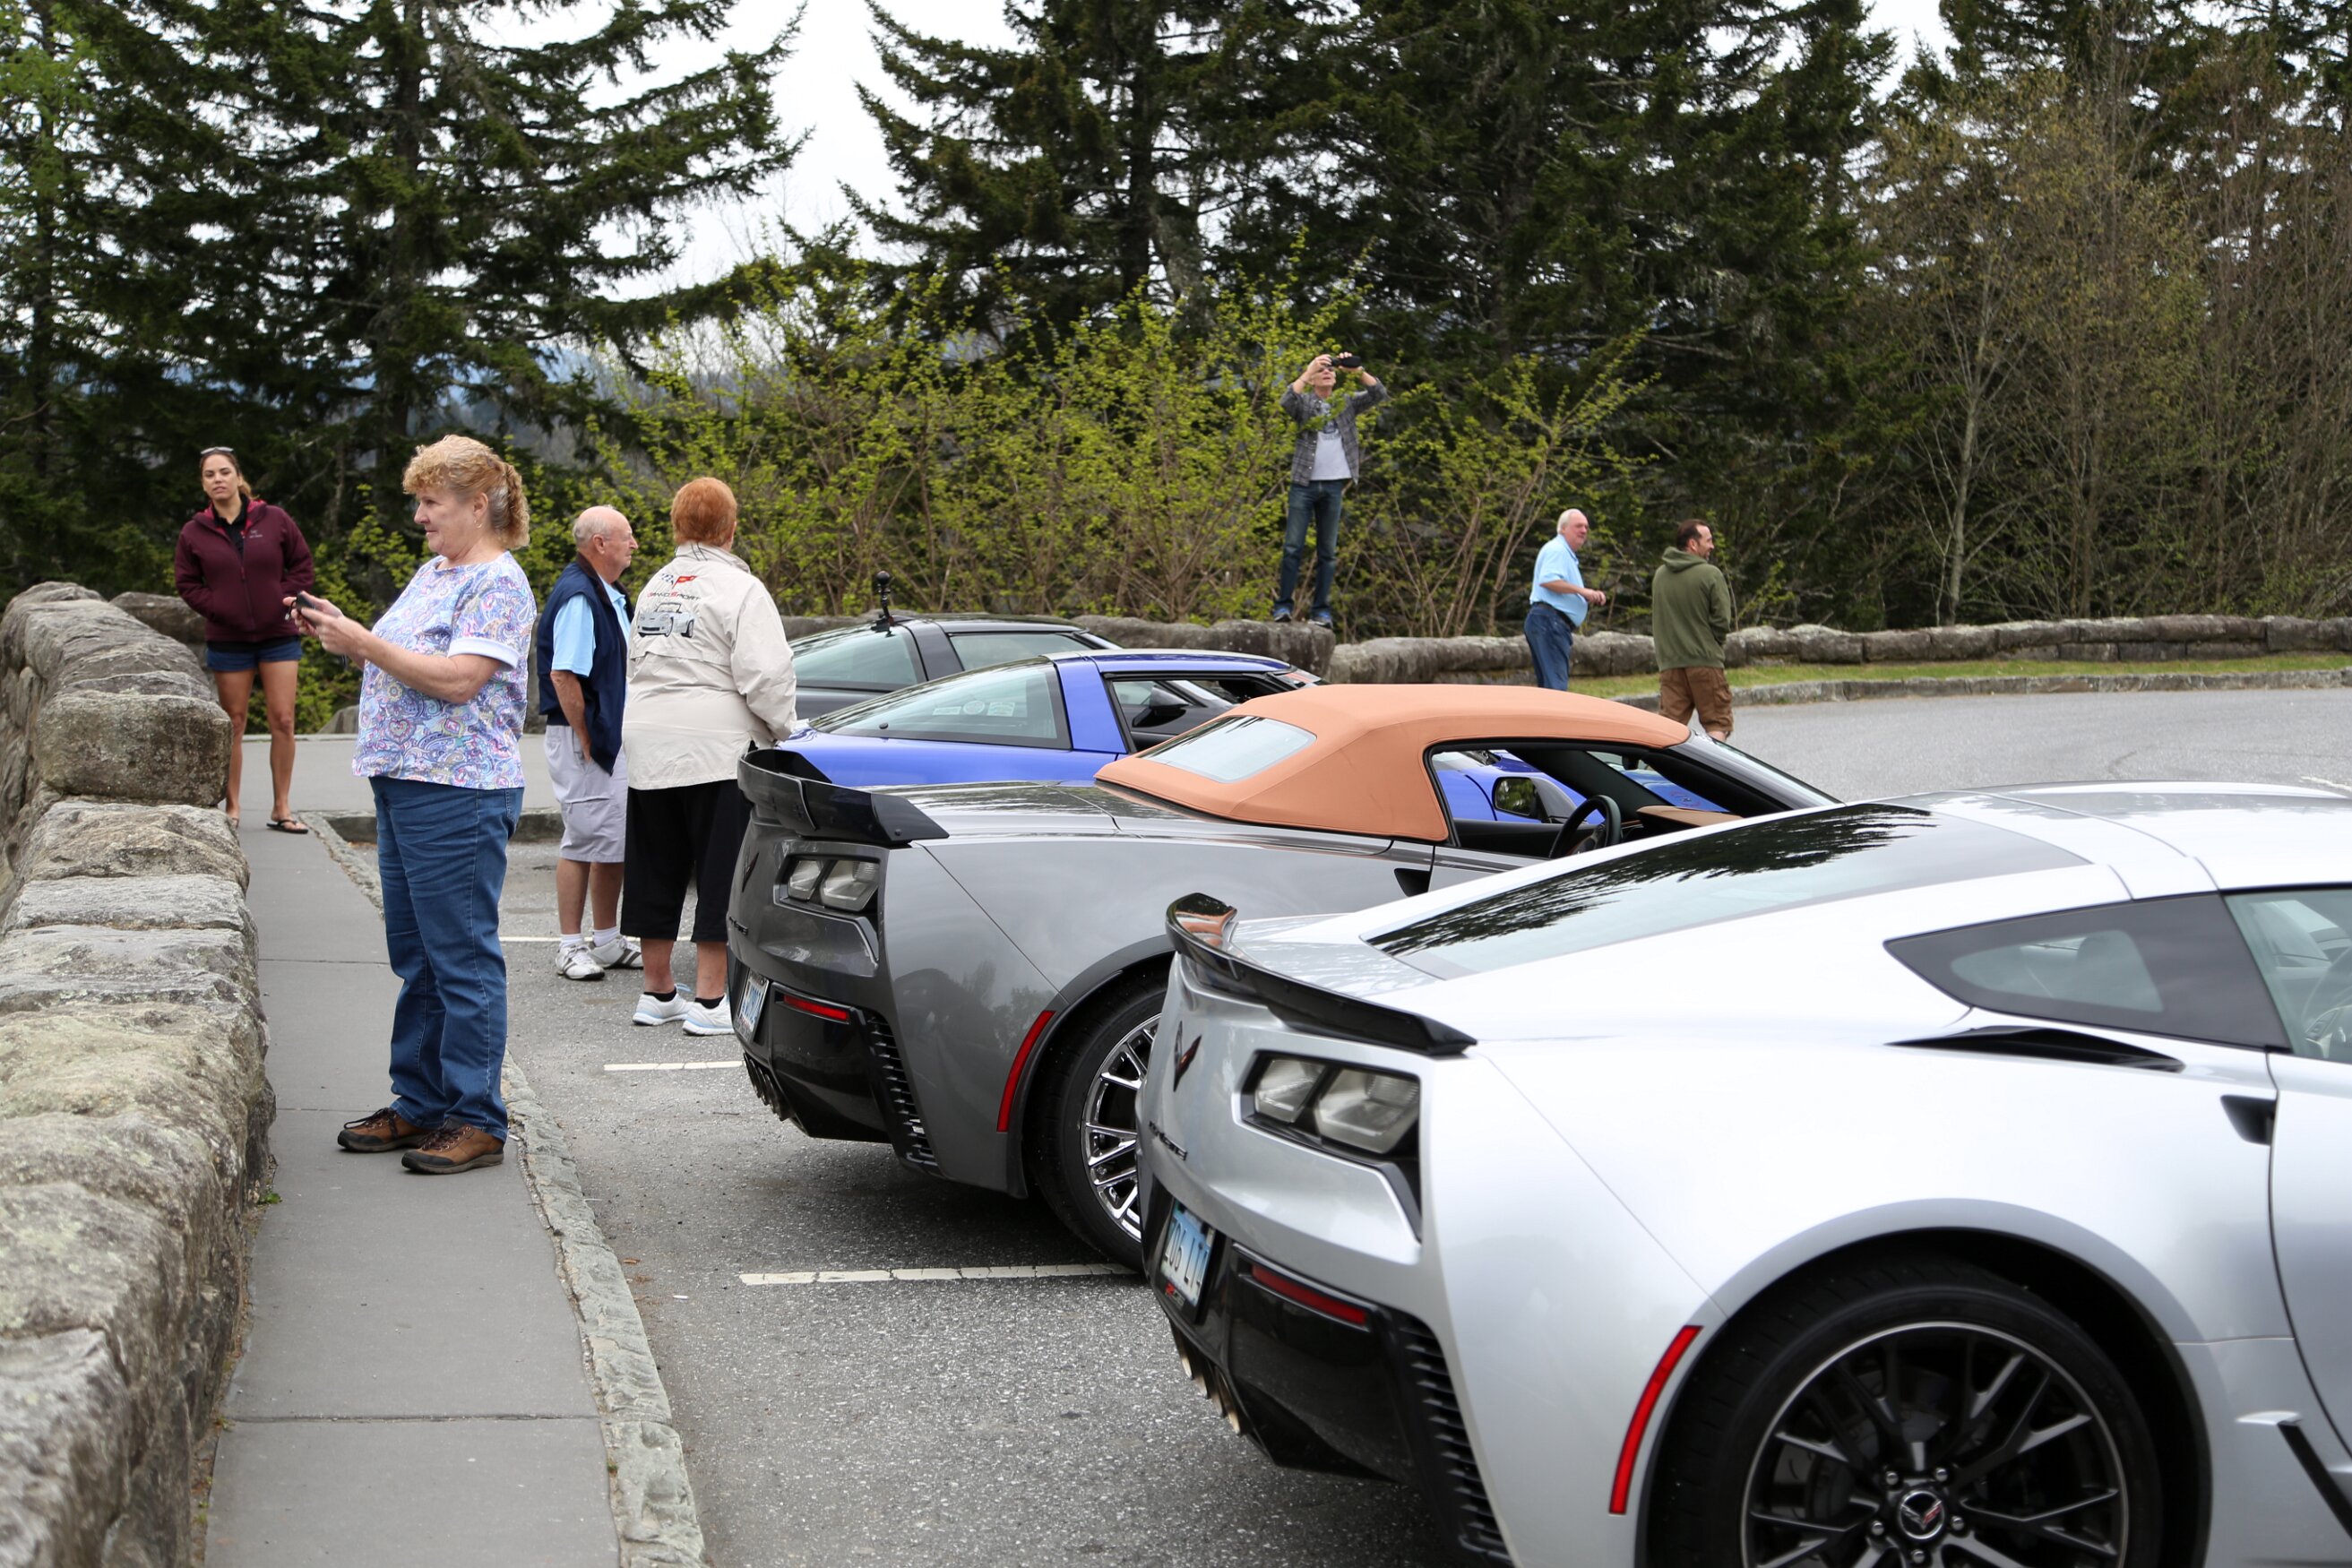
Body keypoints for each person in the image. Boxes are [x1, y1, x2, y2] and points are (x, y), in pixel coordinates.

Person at [295, 435, 538, 1176]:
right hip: (405, 781)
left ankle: (476, 1118)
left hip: (457, 788)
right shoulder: (436, 572)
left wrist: (363, 642)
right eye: (419, 502)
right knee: (419, 956)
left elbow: (459, 680)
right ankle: (422, 1101)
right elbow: (404, 657)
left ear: (478, 504)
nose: (420, 516)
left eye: (431, 502)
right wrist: (345, 635)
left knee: (459, 957)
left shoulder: (498, 583)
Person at [622, 478, 797, 1035]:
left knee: (655, 863)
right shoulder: (740, 589)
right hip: (715, 747)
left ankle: (657, 991)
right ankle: (710, 999)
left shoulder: (654, 586)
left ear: (677, 526)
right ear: (730, 529)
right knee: (720, 867)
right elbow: (766, 676)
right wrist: (786, 730)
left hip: (647, 740)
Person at [174, 446, 316, 831]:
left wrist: (281, 600)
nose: (217, 479)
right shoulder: (194, 532)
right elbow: (187, 583)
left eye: (224, 472)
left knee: (283, 720)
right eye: (209, 475)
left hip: (278, 634)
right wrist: (219, 606)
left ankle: (282, 808)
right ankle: (232, 808)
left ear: (238, 477)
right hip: (229, 638)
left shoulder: (274, 519)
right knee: (233, 723)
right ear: (203, 484)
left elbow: (302, 565)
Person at [536, 506, 642, 981]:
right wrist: (586, 738)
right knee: (581, 839)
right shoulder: (580, 596)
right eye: (626, 536)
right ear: (600, 543)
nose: (634, 544)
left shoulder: (608, 592)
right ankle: (569, 945)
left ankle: (606, 939)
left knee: (611, 837)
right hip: (585, 736)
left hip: (605, 736)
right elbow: (564, 675)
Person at [1273, 351, 1386, 627]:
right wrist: (1308, 370)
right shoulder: (1305, 404)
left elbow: (1378, 394)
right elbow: (1287, 401)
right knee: (1293, 547)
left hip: (1334, 484)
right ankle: (1283, 607)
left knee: (1328, 552)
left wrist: (1357, 370)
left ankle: (1320, 612)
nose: (1327, 373)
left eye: (1330, 371)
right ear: (1313, 380)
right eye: (1322, 372)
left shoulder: (1345, 403)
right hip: (1303, 484)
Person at [1651, 519, 1736, 740]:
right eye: (1708, 541)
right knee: (1717, 722)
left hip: (1670, 663)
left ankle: (1660, 764)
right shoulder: (1710, 574)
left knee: (1668, 728)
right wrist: (1715, 645)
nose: (1712, 546)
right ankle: (1715, 763)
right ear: (1693, 544)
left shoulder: (1660, 576)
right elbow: (1722, 620)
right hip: (1704, 661)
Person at [1525, 509, 1607, 691]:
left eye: (1586, 527)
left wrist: (1584, 595)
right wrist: (1582, 592)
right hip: (1550, 622)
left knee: (1549, 687)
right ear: (1563, 529)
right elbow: (1548, 580)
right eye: (1578, 526)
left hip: (1548, 622)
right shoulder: (1558, 550)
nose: (1584, 530)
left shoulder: (1563, 552)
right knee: (1556, 688)